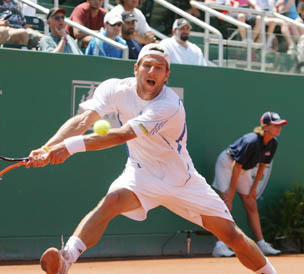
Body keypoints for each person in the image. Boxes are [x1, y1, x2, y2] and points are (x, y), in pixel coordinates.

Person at [27, 43, 277, 274]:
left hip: (182, 181)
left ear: (167, 75)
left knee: (232, 237)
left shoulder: (169, 105)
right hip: (140, 174)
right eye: (147, 65)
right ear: (136, 68)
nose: (152, 71)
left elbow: (123, 135)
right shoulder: (114, 88)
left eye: (159, 68)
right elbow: (83, 121)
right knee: (111, 201)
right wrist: (47, 148)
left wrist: (69, 147)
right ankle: (66, 259)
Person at [211, 112, 287, 257]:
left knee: (251, 203)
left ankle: (261, 244)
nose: (279, 128)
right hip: (228, 164)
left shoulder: (273, 143)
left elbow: (263, 165)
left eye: (280, 125)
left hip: (242, 169)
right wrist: (231, 192)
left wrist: (253, 189)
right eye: (275, 125)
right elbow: (236, 166)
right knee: (227, 203)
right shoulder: (251, 141)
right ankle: (220, 245)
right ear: (265, 127)